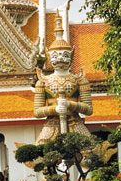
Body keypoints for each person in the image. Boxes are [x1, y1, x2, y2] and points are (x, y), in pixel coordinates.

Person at [34, 12, 93, 143]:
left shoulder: (79, 80)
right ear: (49, 57)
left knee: (92, 154)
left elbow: (89, 109)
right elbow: (37, 112)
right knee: (38, 158)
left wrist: (70, 104)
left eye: (64, 55)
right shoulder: (43, 81)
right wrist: (54, 109)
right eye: (55, 55)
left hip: (74, 122)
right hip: (52, 124)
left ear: (71, 56)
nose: (60, 58)